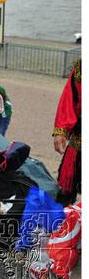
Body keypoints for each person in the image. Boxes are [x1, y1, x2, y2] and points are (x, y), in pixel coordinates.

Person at [52, 58, 81, 206]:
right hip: (80, 140)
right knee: (67, 189)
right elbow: (69, 100)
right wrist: (61, 131)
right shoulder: (81, 66)